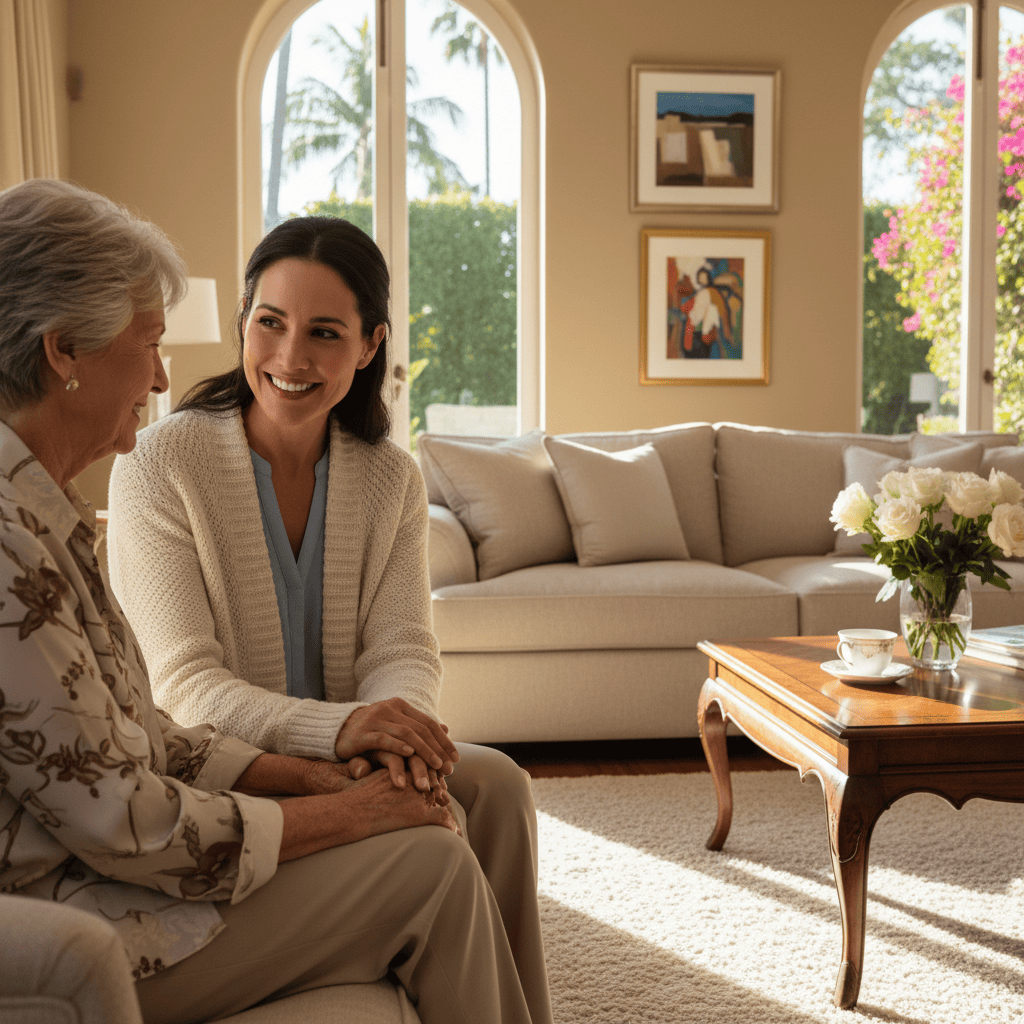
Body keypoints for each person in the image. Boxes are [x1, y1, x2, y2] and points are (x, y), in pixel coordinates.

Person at [0, 178, 541, 1024]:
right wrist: (343, 763)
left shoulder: (44, 512)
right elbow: (168, 721)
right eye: (270, 323)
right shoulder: (126, 483)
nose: (162, 375)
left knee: (496, 787)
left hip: (233, 786)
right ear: (63, 350)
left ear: (369, 347)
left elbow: (397, 645)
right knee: (429, 861)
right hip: (102, 891)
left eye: (326, 333)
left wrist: (380, 754)